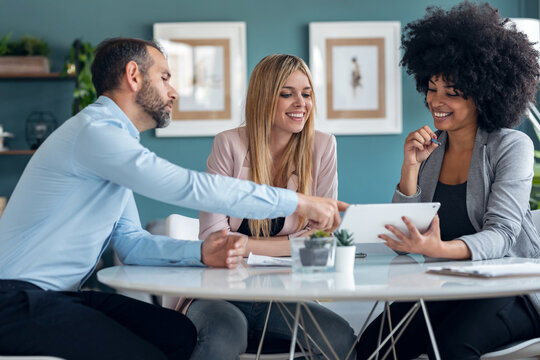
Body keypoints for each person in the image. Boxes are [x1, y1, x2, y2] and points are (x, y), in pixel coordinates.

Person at [0, 38, 346, 360]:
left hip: (58, 296)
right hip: (15, 300)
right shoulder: (96, 134)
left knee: (177, 332)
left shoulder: (113, 145)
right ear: (134, 76)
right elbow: (186, 186)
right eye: (164, 77)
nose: (174, 91)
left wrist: (200, 252)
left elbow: (132, 244)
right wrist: (298, 203)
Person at [356, 3, 540, 359]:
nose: (435, 101)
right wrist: (410, 167)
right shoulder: (432, 149)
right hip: (451, 285)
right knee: (372, 348)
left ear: (483, 93)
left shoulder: (511, 145)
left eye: (451, 92)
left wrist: (438, 250)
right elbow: (402, 240)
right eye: (431, 88)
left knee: (452, 348)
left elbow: (502, 235)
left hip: (510, 289)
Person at [178, 54, 355, 360]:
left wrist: (245, 244)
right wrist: (287, 245)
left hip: (285, 292)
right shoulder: (228, 145)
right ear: (263, 98)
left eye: (307, 94)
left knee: (340, 338)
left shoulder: (323, 146)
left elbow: (321, 239)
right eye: (287, 94)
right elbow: (214, 239)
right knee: (224, 334)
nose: (300, 103)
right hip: (220, 292)